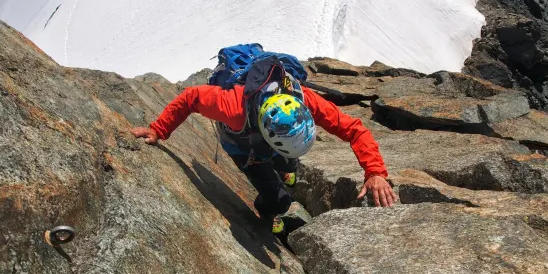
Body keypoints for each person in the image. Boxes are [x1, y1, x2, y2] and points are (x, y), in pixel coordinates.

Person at [130, 61, 396, 234]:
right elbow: (191, 97)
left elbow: (354, 129)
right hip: (242, 146)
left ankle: (285, 167)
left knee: (288, 164)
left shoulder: (306, 100)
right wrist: (159, 129)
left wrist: (375, 172)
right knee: (279, 198)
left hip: (268, 140)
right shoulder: (233, 108)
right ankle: (270, 211)